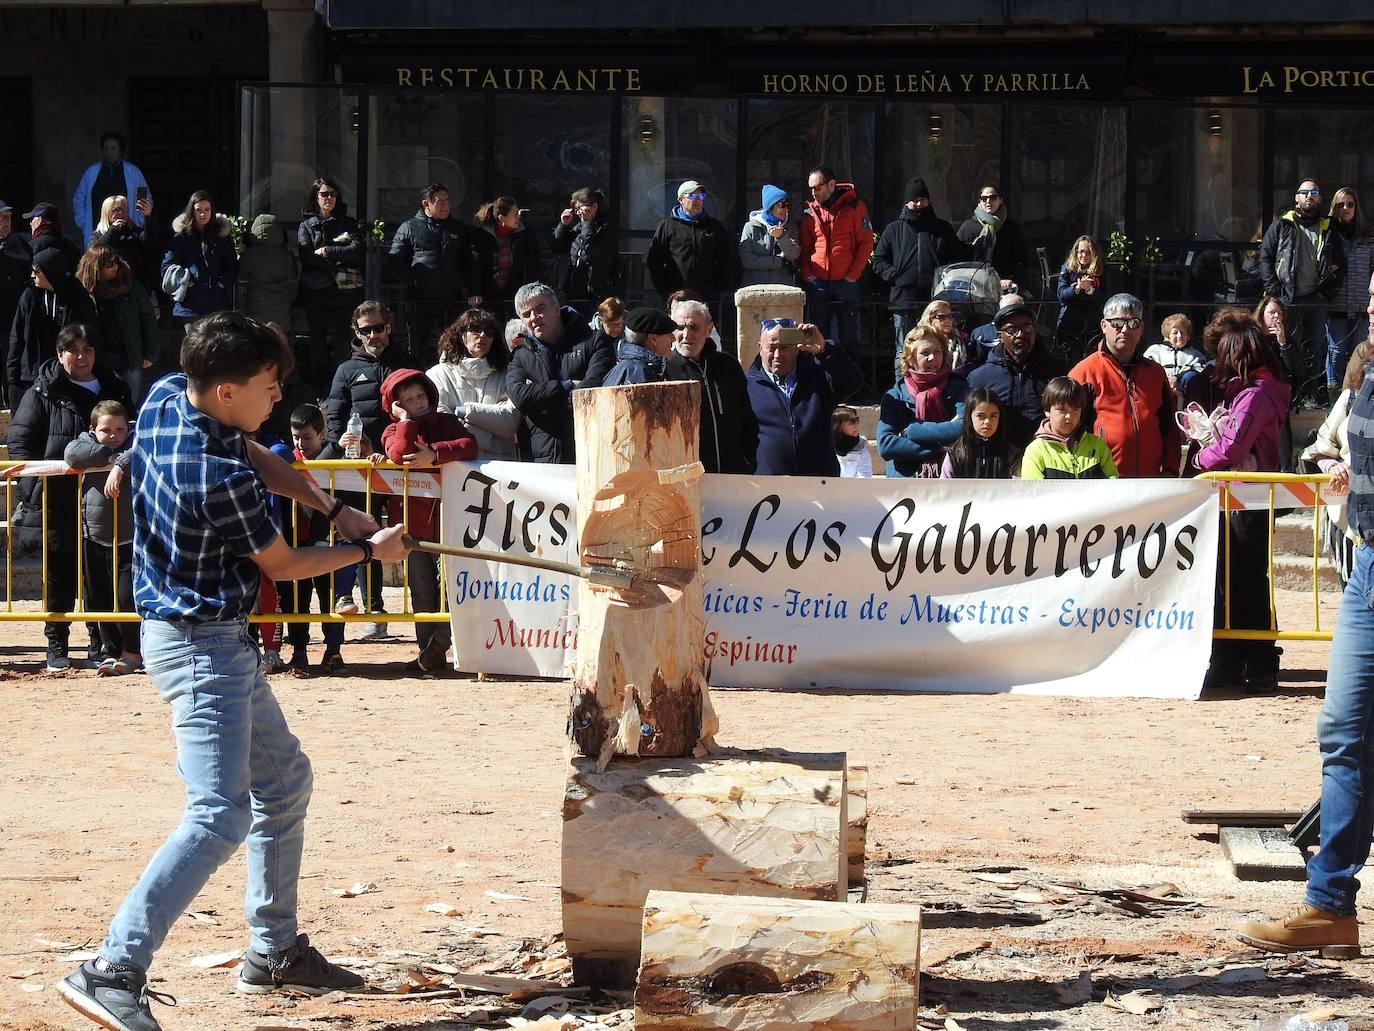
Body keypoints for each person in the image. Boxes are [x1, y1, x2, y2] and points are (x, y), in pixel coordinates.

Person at [56, 312, 408, 1031]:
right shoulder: (210, 475)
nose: (278, 396)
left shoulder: (165, 395)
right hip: (198, 644)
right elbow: (281, 565)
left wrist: (334, 507)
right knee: (220, 813)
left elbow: (255, 452)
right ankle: (111, 967)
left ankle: (273, 951)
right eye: (268, 386)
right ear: (223, 388)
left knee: (284, 781)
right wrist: (372, 554)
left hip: (212, 637)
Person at [8, 323, 132, 671]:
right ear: (60, 353)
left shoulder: (114, 388)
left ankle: (101, 644)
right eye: (73, 350)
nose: (81, 357)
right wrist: (34, 489)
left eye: (88, 349)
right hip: (57, 499)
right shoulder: (40, 392)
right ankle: (57, 645)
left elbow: (134, 436)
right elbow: (20, 443)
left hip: (106, 502)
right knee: (59, 574)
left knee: (100, 577)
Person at [1194, 323, 1291, 694]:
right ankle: (1235, 658)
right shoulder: (1260, 392)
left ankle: (1252, 659)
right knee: (1238, 580)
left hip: (1246, 499)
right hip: (1244, 497)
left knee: (1243, 581)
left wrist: (1202, 455)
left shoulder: (1255, 395)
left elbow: (1232, 447)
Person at [380, 368, 476, 675]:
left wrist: (435, 455)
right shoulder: (392, 430)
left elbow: (469, 445)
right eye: (407, 399)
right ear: (396, 405)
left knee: (448, 585)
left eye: (420, 395)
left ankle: (444, 643)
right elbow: (398, 454)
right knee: (421, 588)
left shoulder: (446, 422)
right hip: (412, 524)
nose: (417, 402)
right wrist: (405, 422)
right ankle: (428, 654)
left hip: (449, 521)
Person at [327, 300, 409, 640]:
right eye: (365, 330)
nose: (372, 335)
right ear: (356, 333)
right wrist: (342, 442)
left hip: (404, 464)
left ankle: (434, 619)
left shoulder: (407, 361)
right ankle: (374, 608)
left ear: (388, 326)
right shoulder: (346, 370)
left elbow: (424, 407)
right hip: (361, 468)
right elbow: (334, 417)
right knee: (366, 535)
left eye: (378, 327)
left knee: (413, 533)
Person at [277, 403, 358, 675]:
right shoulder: (286, 459)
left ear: (322, 435)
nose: (300, 442)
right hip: (295, 544)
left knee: (330, 598)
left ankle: (333, 650)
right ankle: (299, 651)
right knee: (295, 601)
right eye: (296, 437)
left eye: (307, 437)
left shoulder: (335, 460)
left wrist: (339, 449)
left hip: (327, 545)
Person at [63, 399, 141, 675]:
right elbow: (72, 455)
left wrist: (121, 462)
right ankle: (109, 650)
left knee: (127, 596)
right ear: (92, 429)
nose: (113, 436)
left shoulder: (135, 445)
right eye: (106, 430)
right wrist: (110, 458)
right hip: (94, 534)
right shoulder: (84, 443)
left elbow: (140, 450)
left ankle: (132, 651)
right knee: (99, 596)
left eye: (120, 430)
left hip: (131, 537)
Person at [1069, 293, 1180, 478]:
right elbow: (1067, 429)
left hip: (1150, 484)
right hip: (1101, 484)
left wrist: (1170, 471)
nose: (1126, 329)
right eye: (1117, 323)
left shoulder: (1155, 373)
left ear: (1141, 327)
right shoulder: (1084, 373)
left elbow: (1169, 428)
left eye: (1133, 323)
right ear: (1104, 326)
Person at [505, 282, 616, 463]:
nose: (534, 317)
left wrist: (541, 404)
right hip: (539, 463)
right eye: (526, 314)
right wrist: (567, 385)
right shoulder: (520, 355)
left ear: (556, 308)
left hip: (590, 455)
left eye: (540, 309)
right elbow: (519, 397)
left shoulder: (594, 342)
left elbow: (593, 394)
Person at [1258, 178, 1345, 404]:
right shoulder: (1282, 225)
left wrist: (1328, 291)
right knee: (1287, 345)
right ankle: (1289, 394)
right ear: (1296, 197)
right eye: (1304, 192)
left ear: (1319, 198)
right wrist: (1274, 290)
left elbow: (1340, 263)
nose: (1309, 195)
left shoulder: (1328, 226)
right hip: (1288, 297)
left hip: (1316, 297)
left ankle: (1310, 395)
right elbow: (1265, 258)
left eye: (1314, 191)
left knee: (1314, 347)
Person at [745, 317, 863, 476]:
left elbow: (852, 383)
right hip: (768, 486)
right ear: (760, 348)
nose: (778, 354)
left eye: (785, 347)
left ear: (798, 348)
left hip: (818, 483)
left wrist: (824, 351)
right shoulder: (747, 385)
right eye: (771, 348)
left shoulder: (818, 377)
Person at [1300, 336, 1374, 589]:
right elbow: (1318, 448)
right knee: (1353, 590)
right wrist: (1332, 466)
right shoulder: (1349, 400)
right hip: (1349, 518)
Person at [872, 177, 963, 374]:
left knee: (936, 350)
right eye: (915, 200)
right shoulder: (894, 229)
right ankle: (902, 393)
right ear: (906, 202)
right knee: (903, 351)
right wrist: (894, 276)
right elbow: (878, 260)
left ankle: (936, 390)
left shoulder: (942, 228)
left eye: (923, 199)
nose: (919, 204)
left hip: (935, 302)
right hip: (903, 301)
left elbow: (957, 259)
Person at [388, 183, 480, 364]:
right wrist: (412, 279)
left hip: (452, 298)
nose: (445, 205)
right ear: (426, 204)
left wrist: (471, 288)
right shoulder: (409, 227)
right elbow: (395, 259)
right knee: (420, 344)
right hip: (420, 299)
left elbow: (470, 262)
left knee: (453, 341)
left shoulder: (458, 228)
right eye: (439, 201)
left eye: (447, 200)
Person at [666, 298, 756, 474]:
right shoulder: (664, 370)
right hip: (686, 478)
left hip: (733, 476)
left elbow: (748, 420)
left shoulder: (728, 366)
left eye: (693, 327)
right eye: (680, 327)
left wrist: (749, 461)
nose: (686, 335)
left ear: (708, 330)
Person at [968, 300, 1067, 454]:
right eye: (1012, 330)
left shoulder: (1056, 371)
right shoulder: (979, 379)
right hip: (998, 461)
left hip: (1048, 456)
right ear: (1000, 336)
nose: (1021, 334)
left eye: (1027, 327)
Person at [799, 166, 874, 366]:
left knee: (850, 335)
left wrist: (853, 274)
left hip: (845, 281)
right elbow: (805, 249)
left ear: (832, 185)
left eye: (818, 187)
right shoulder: (809, 212)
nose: (814, 192)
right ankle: (819, 380)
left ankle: (852, 384)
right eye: (811, 188)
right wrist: (808, 274)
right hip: (818, 282)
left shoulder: (854, 206)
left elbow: (866, 242)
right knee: (816, 334)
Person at [297, 176, 365, 389]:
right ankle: (320, 386)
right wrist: (337, 263)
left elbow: (356, 251)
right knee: (317, 340)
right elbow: (306, 256)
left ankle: (341, 385)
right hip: (315, 292)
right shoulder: (306, 225)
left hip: (345, 293)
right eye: (324, 194)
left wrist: (328, 251)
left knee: (344, 340)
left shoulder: (348, 223)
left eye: (333, 194)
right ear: (315, 197)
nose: (329, 198)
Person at [877, 324, 968, 478]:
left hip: (950, 477)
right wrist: (941, 447)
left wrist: (912, 431)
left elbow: (962, 429)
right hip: (906, 482)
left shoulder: (961, 389)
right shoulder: (895, 396)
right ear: (910, 358)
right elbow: (886, 445)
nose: (933, 358)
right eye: (925, 353)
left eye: (937, 352)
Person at [8, 248, 97, 405]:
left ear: (51, 272)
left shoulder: (78, 297)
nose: (32, 275)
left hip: (68, 375)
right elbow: (17, 337)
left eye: (37, 271)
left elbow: (89, 336)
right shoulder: (30, 296)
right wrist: (12, 376)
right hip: (31, 375)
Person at [428, 308, 520, 461]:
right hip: (457, 466)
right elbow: (441, 427)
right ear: (461, 334)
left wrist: (463, 412)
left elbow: (509, 423)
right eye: (475, 329)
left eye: (489, 331)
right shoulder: (437, 375)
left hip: (500, 467)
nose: (482, 335)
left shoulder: (507, 375)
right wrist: (490, 429)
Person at [76, 242, 158, 401]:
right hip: (98, 356)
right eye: (108, 263)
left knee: (130, 400)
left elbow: (148, 318)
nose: (115, 266)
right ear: (95, 266)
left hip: (129, 354)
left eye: (116, 261)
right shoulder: (84, 290)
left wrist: (150, 353)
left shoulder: (129, 284)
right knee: (103, 404)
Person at [646, 180, 734, 315]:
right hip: (677, 296)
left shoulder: (714, 226)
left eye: (701, 196)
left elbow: (726, 259)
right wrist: (665, 291)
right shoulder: (667, 226)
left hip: (707, 297)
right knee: (677, 333)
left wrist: (718, 289)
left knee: (707, 334)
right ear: (680, 199)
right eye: (692, 196)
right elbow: (654, 261)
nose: (698, 200)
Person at [1019, 376, 1119, 480]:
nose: (1069, 416)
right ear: (1047, 411)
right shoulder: (1036, 451)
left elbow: (1113, 485)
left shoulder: (1098, 446)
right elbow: (1033, 493)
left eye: (1075, 409)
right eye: (1061, 410)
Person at [162, 190, 237, 326]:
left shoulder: (222, 237)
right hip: (190, 305)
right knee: (194, 345)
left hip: (217, 303)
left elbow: (231, 266)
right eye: (198, 210)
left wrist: (221, 284)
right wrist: (186, 281)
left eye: (207, 209)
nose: (203, 214)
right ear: (192, 211)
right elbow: (167, 266)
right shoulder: (181, 237)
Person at [1326, 187, 1372, 397]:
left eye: (1350, 204)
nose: (1345, 208)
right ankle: (1333, 394)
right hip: (1335, 303)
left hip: (1362, 304)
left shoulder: (1368, 237)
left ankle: (1357, 395)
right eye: (1340, 205)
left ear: (1356, 207)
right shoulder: (1328, 234)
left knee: (1360, 352)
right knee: (1336, 352)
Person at [72, 131, 152, 246]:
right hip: (98, 230)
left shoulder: (133, 172)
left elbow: (143, 198)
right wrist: (83, 222)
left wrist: (139, 221)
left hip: (127, 232)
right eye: (106, 149)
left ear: (120, 151)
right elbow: (79, 199)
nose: (109, 152)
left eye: (113, 149)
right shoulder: (91, 172)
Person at [551, 187, 619, 316]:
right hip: (573, 290)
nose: (579, 214)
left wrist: (587, 222)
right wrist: (563, 226)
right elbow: (557, 248)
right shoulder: (579, 227)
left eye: (581, 209)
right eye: (577, 211)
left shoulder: (607, 227)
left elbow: (590, 252)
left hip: (595, 293)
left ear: (594, 206)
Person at [473, 197, 542, 317]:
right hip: (488, 297)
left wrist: (533, 292)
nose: (518, 217)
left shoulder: (525, 235)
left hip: (515, 295)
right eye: (515, 214)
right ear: (501, 218)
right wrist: (475, 292)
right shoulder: (482, 236)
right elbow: (475, 265)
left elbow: (533, 266)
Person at [955, 185, 1030, 292]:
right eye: (984, 198)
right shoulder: (968, 227)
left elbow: (1021, 259)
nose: (988, 201)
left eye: (993, 198)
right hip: (973, 287)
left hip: (1004, 287)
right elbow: (957, 256)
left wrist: (1010, 278)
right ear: (979, 202)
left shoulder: (1011, 228)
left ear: (1000, 200)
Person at [236, 214, 299, 332]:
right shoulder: (286, 255)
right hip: (281, 311)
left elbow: (241, 279)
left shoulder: (248, 255)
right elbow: (292, 280)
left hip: (255, 309)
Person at [91, 194, 159, 298]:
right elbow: (95, 252)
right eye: (115, 210)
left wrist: (148, 217)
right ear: (106, 213)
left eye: (124, 209)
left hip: (135, 287)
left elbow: (149, 242)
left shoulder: (133, 231)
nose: (120, 213)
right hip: (109, 288)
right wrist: (113, 230)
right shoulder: (97, 235)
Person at [940, 387, 1012, 478]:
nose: (987, 422)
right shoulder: (956, 454)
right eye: (981, 416)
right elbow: (945, 488)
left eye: (993, 416)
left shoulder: (1010, 453)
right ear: (970, 417)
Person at [1055, 235, 1105, 364]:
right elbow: (1061, 295)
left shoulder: (1101, 270)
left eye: (1088, 252)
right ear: (1076, 251)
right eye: (1081, 251)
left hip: (1093, 323)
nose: (1084, 255)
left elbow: (1106, 297)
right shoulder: (1067, 268)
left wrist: (1090, 290)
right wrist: (1076, 289)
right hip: (1071, 322)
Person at [0, 200, 32, 398]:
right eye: (1, 218)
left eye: (8, 218)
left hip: (12, 318)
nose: (6, 222)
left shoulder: (20, 245)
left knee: (10, 365)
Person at [739, 184, 801, 287]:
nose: (786, 210)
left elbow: (793, 255)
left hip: (783, 289)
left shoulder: (791, 227)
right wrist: (779, 261)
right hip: (754, 288)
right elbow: (746, 260)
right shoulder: (750, 227)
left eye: (788, 205)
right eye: (782, 205)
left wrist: (782, 237)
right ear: (770, 206)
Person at [602, 306, 679, 386]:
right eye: (669, 333)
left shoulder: (620, 370)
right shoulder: (639, 374)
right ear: (653, 339)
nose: (673, 338)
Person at [1143, 312, 1209, 398]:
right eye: (1175, 332)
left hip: (1186, 393)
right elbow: (1146, 370)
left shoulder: (1195, 354)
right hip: (1160, 390)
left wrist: (1177, 378)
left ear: (1188, 336)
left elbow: (1201, 371)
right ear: (1167, 335)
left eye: (1183, 332)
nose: (1179, 336)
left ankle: (1192, 408)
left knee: (1191, 376)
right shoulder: (1155, 351)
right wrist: (1166, 382)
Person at [24, 202, 82, 269]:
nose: (30, 224)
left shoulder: (30, 248)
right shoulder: (73, 248)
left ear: (39, 220)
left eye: (32, 219)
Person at [833, 406, 872, 477]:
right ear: (838, 426)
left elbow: (865, 475)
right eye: (852, 422)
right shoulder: (827, 446)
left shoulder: (861, 446)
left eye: (857, 420)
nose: (857, 425)